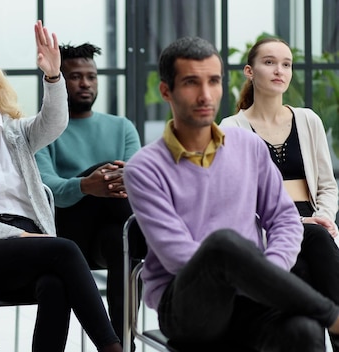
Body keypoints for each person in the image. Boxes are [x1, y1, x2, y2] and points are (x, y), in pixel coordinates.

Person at [124, 36, 339, 351]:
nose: (205, 94)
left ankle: (325, 322)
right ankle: (332, 316)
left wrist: (269, 276)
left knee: (304, 330)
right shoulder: (143, 169)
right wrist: (259, 279)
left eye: (214, 81)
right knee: (222, 245)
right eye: (191, 83)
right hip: (190, 306)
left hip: (253, 299)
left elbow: (285, 220)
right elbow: (179, 256)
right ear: (166, 91)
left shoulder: (248, 147)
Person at [0, 20, 122, 352]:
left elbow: (55, 121)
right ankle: (112, 348)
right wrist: (18, 236)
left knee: (55, 285)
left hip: (32, 245)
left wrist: (53, 76)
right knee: (64, 249)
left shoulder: (18, 133)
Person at [220, 36, 339, 350]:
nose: (279, 70)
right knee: (310, 254)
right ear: (249, 70)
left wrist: (323, 217)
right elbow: (236, 197)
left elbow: (327, 185)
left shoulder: (308, 120)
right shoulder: (231, 127)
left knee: (315, 246)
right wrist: (299, 226)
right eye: (269, 62)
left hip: (316, 225)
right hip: (266, 229)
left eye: (286, 64)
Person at [34, 42, 141, 347]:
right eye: (76, 76)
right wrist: (86, 185)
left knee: (120, 242)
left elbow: (138, 182)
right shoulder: (44, 131)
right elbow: (47, 190)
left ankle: (122, 343)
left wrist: (108, 182)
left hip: (109, 234)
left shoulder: (122, 127)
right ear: (59, 81)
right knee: (109, 181)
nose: (85, 83)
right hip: (67, 233)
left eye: (91, 76)